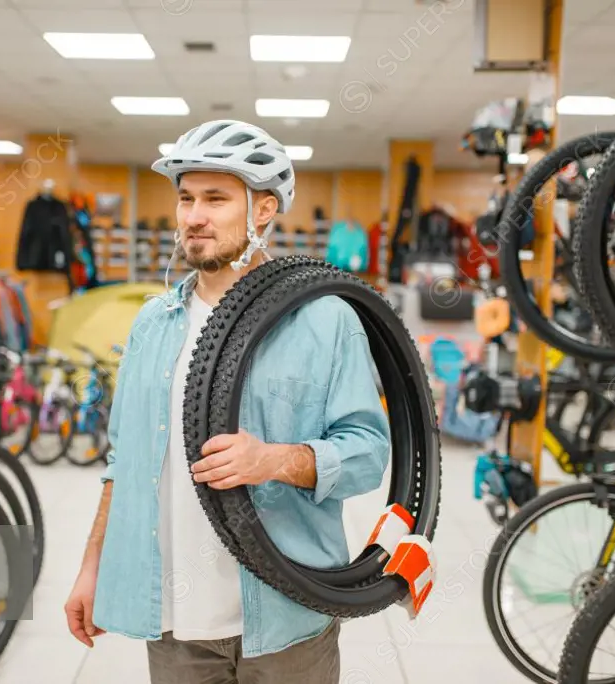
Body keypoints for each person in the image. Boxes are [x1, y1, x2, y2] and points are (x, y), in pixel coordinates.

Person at [64, 119, 392, 684]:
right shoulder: (152, 324)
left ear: (263, 209)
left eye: (215, 199)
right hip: (173, 624)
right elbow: (125, 460)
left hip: (286, 615)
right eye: (186, 198)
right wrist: (94, 565)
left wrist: (274, 460)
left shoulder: (325, 319)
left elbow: (366, 453)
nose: (193, 216)